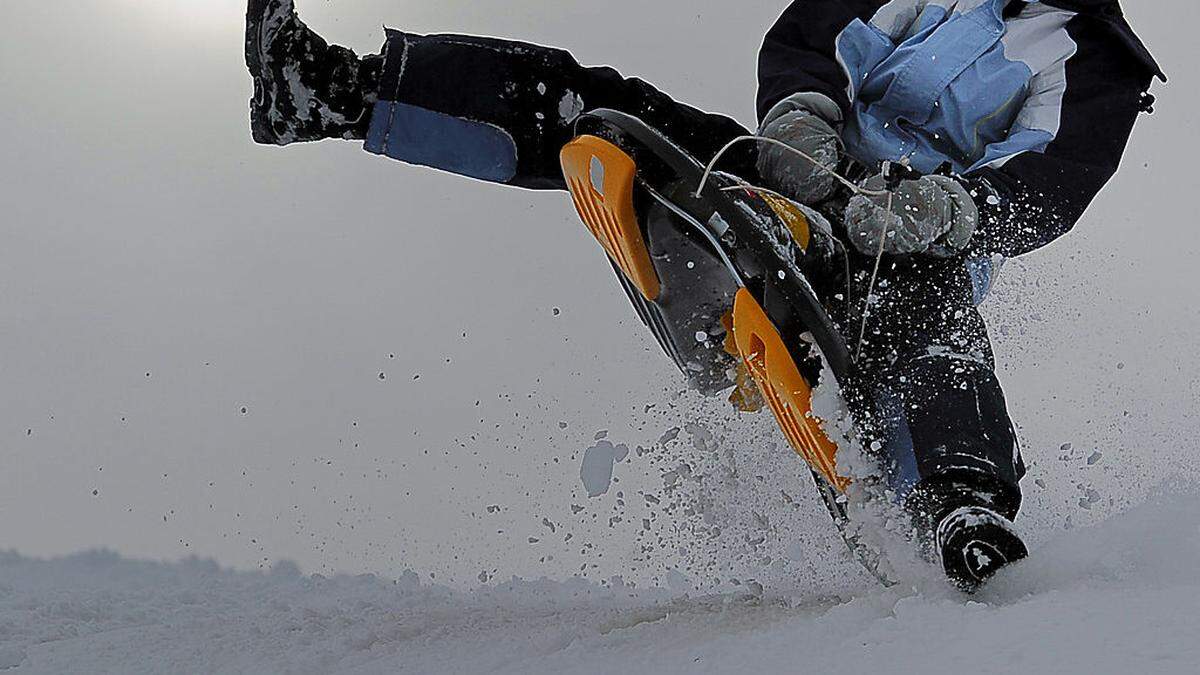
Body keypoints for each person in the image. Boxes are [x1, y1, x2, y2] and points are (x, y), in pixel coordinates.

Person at [245, 0, 1162, 587]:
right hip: (794, 179)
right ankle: (334, 94)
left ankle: (956, 502)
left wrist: (947, 206)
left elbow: (1053, 176)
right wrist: (800, 116)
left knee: (929, 313)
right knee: (607, 110)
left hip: (908, 245)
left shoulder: (1099, 61)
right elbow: (818, 33)